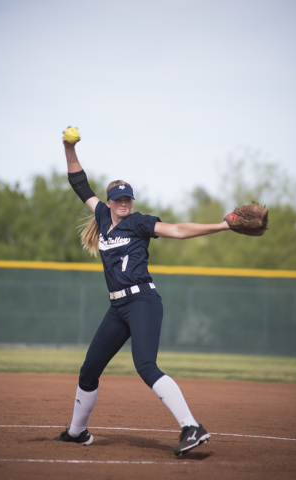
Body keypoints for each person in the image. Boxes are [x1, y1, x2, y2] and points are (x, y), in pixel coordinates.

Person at [54, 127, 230, 456]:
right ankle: (77, 432)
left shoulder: (139, 222)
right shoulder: (103, 216)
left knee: (145, 365)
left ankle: (191, 427)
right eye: (118, 198)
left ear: (132, 201)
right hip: (117, 308)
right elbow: (78, 182)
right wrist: (68, 147)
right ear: (109, 202)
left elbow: (177, 230)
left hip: (143, 301)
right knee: (89, 369)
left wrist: (220, 226)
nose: (123, 203)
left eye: (127, 198)